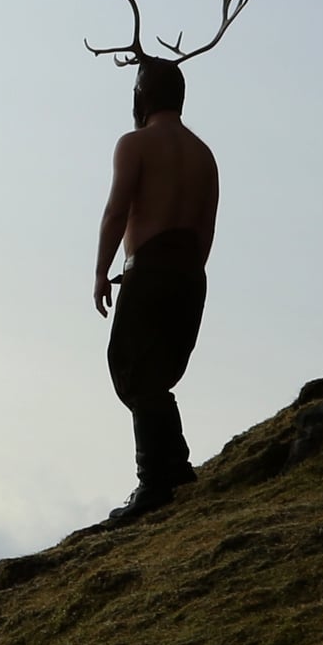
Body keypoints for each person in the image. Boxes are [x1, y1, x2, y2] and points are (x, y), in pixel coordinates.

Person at [94, 54, 220, 518]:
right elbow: (207, 227)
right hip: (190, 272)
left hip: (149, 269)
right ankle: (173, 470)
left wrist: (102, 271)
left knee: (130, 369)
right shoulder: (205, 154)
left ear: (142, 96)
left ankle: (157, 479)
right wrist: (187, 273)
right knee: (158, 373)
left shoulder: (135, 144)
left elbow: (116, 210)